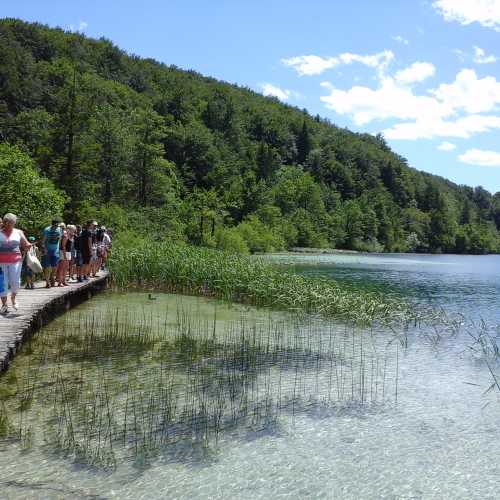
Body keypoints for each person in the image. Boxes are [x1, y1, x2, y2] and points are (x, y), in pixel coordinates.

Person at [0, 213, 31, 313]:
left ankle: (13, 298)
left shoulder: (19, 232)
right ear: (4, 223)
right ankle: (4, 305)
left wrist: (28, 245)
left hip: (16, 261)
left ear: (14, 223)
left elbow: (25, 244)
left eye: (11, 223)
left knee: (16, 282)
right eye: (6, 223)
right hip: (1, 262)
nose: (8, 225)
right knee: (2, 283)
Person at [42, 218, 62, 288]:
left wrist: (59, 249)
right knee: (47, 267)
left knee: (55, 266)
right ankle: (47, 283)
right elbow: (43, 241)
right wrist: (44, 249)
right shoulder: (47, 230)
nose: (56, 226)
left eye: (57, 225)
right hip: (47, 251)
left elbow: (60, 239)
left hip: (55, 251)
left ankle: (52, 276)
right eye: (55, 225)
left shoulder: (59, 229)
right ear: (52, 224)